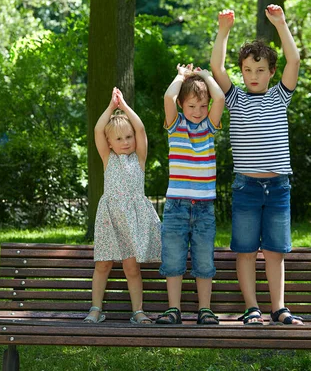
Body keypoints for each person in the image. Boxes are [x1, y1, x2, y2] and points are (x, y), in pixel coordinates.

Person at [210, 4, 303, 326]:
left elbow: (294, 60)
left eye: (260, 70)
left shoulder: (280, 96)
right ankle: (252, 308)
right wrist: (224, 30)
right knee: (246, 251)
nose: (253, 76)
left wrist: (280, 23)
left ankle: (279, 307)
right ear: (242, 71)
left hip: (278, 187)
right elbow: (216, 68)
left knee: (275, 252)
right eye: (248, 70)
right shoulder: (235, 98)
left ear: (271, 72)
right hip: (246, 187)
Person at [84, 87, 161, 325]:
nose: (126, 142)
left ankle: (138, 311)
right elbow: (98, 129)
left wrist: (124, 106)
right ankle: (95, 309)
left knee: (132, 268)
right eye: (118, 138)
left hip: (132, 221)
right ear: (109, 142)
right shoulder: (108, 159)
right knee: (103, 264)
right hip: (110, 218)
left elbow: (140, 128)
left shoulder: (139, 159)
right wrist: (111, 107)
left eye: (128, 137)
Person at [156, 64, 225, 325]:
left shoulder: (210, 126)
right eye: (191, 106)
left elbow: (219, 97)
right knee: (173, 259)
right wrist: (181, 76)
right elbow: (168, 97)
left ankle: (204, 309)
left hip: (204, 207)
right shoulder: (175, 126)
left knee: (204, 260)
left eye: (202, 106)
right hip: (176, 206)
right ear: (183, 106)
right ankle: (173, 309)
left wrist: (206, 76)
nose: (197, 112)